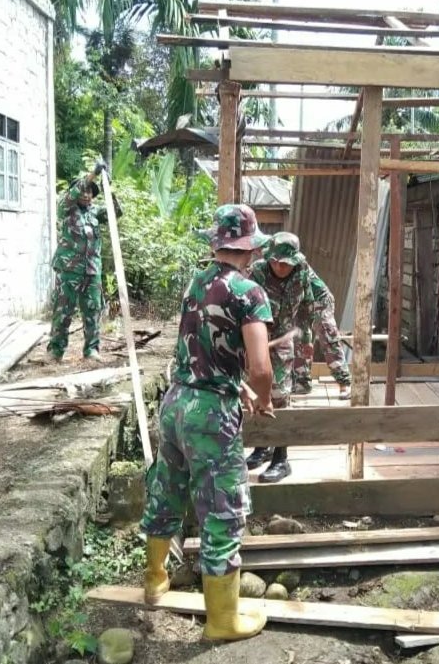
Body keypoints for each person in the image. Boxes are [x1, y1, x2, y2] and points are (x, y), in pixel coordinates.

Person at [140, 204, 274, 642]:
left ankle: (155, 579)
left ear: (217, 243)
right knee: (222, 511)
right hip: (211, 416)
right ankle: (221, 622)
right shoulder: (249, 292)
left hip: (177, 402)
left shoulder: (195, 284)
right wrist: (262, 397)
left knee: (167, 491)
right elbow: (261, 367)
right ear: (249, 248)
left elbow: (200, 352)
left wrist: (238, 386)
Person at [244, 232, 315, 484]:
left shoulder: (302, 271)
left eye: (285, 263)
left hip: (283, 343)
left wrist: (306, 343)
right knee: (255, 394)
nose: (279, 267)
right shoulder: (256, 273)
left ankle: (281, 458)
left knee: (280, 397)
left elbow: (308, 306)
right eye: (275, 261)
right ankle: (262, 447)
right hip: (257, 339)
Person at [46, 165, 118, 363]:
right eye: (84, 191)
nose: (87, 195)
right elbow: (74, 192)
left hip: (91, 270)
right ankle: (56, 351)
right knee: (63, 311)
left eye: (90, 192)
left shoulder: (95, 212)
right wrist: (93, 174)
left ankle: (91, 350)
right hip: (69, 270)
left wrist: (108, 190)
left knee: (93, 310)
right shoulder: (67, 208)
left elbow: (116, 213)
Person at [291, 267, 351, 400]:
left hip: (319, 300)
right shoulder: (262, 267)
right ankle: (302, 383)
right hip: (299, 305)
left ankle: (344, 383)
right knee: (298, 339)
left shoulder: (295, 262)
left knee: (328, 336)